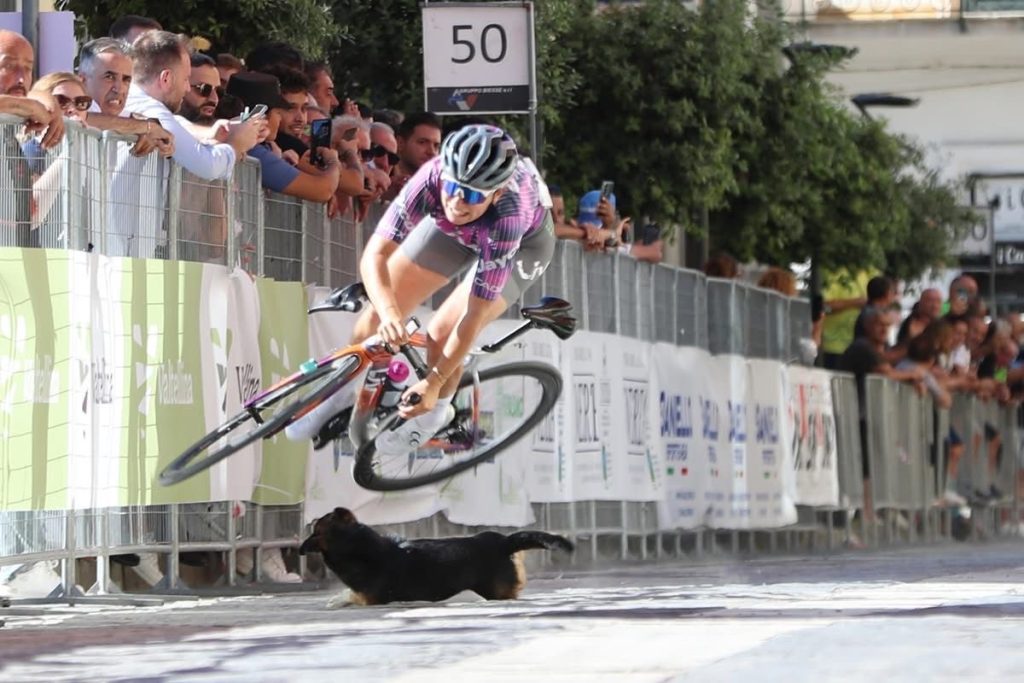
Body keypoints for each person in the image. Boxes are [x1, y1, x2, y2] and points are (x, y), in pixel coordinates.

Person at [286, 124, 555, 452]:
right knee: (375, 318)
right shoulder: (431, 177)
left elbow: (473, 316)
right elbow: (374, 256)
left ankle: (436, 413)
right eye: (453, 187)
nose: (457, 201)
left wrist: (434, 382)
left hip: (524, 245)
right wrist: (390, 315)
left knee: (443, 332)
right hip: (454, 232)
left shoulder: (508, 217)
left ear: (496, 194)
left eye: (472, 194)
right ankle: (337, 397)